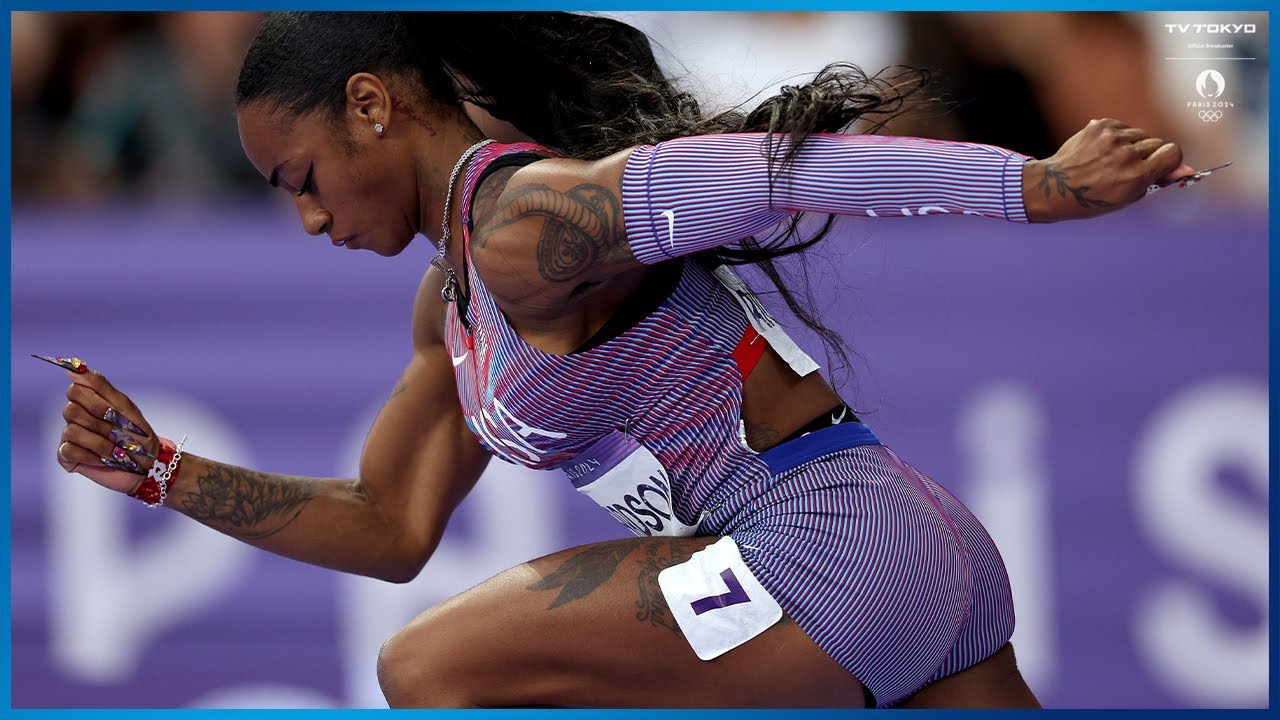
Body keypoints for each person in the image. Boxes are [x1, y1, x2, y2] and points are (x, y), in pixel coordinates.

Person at [53, 11, 1195, 709]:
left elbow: (765, 171)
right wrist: (161, 473)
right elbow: (389, 525)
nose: (307, 220)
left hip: (821, 555)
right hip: (907, 552)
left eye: (302, 179)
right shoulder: (451, 301)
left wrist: (1036, 186)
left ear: (370, 105)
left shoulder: (522, 227)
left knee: (427, 671)